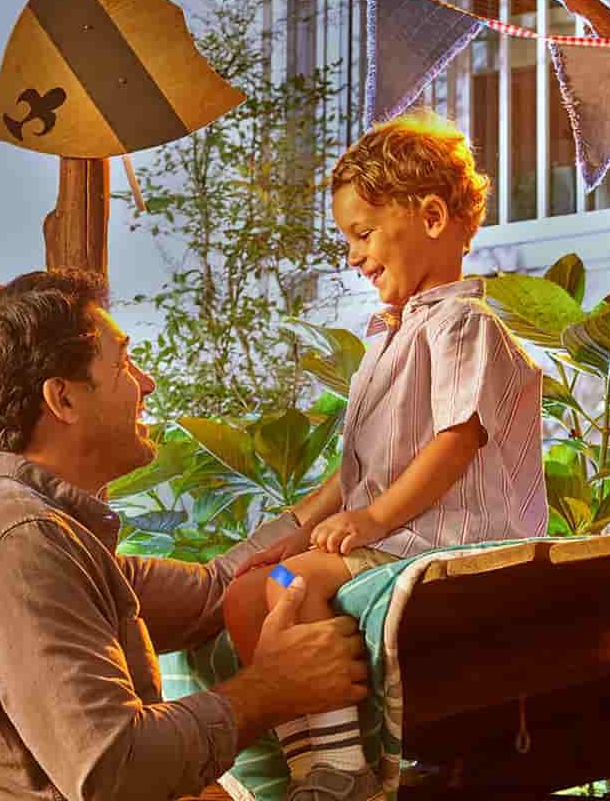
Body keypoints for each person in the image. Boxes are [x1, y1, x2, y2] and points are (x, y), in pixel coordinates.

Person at [0, 268, 371, 801]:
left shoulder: (42, 533)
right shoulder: (20, 545)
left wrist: (349, 482)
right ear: (62, 399)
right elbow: (115, 769)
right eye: (124, 364)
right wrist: (272, 688)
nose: (147, 384)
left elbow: (212, 592)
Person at [220, 110, 547, 801]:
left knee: (285, 589)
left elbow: (456, 442)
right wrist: (275, 536)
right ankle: (321, 766)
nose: (354, 256)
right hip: (396, 531)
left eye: (362, 234)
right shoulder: (392, 340)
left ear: (431, 216)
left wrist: (371, 523)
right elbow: (350, 481)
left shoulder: (463, 323)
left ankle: (339, 770)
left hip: (446, 535)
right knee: (257, 590)